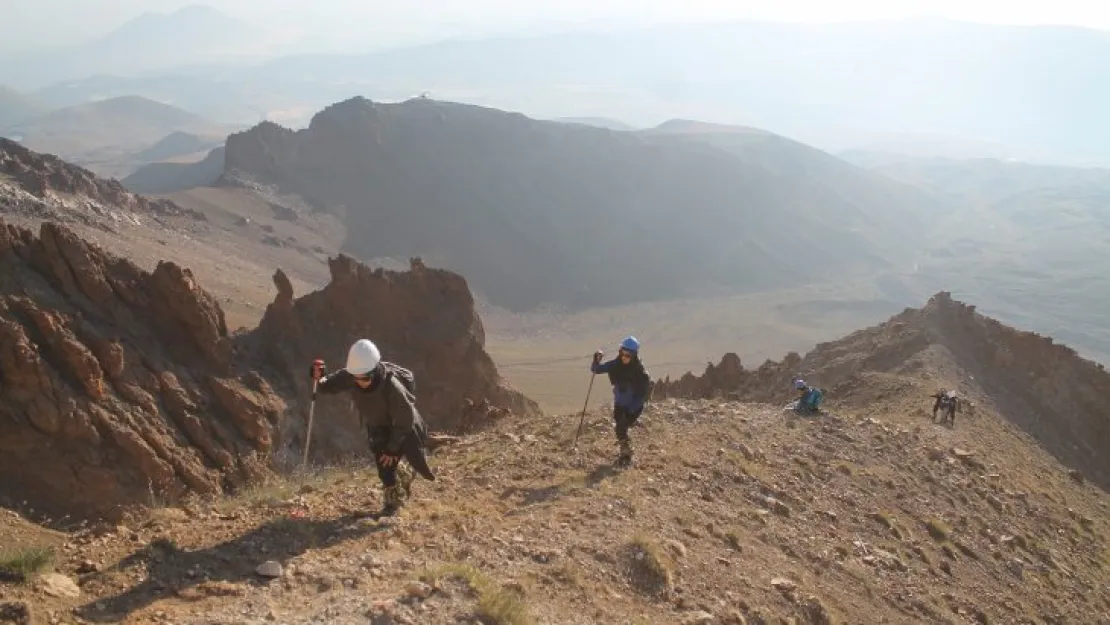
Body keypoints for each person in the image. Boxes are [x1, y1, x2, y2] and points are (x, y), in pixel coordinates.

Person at [311, 338, 435, 517]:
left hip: (403, 427)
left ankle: (393, 505)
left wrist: (392, 449)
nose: (360, 382)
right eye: (356, 378)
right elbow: (327, 386)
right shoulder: (353, 375)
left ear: (375, 371)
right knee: (384, 467)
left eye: (365, 378)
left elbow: (405, 419)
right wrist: (319, 376)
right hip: (378, 426)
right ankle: (398, 486)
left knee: (389, 459)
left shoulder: (392, 387)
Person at [591, 336, 651, 467]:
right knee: (620, 428)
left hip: (633, 407)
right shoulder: (615, 364)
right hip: (619, 404)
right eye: (622, 353)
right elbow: (596, 369)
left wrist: (630, 411)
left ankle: (626, 455)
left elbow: (642, 396)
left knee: (621, 427)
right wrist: (596, 359)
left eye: (628, 355)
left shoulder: (641, 373)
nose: (624, 357)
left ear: (634, 355)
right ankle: (626, 448)